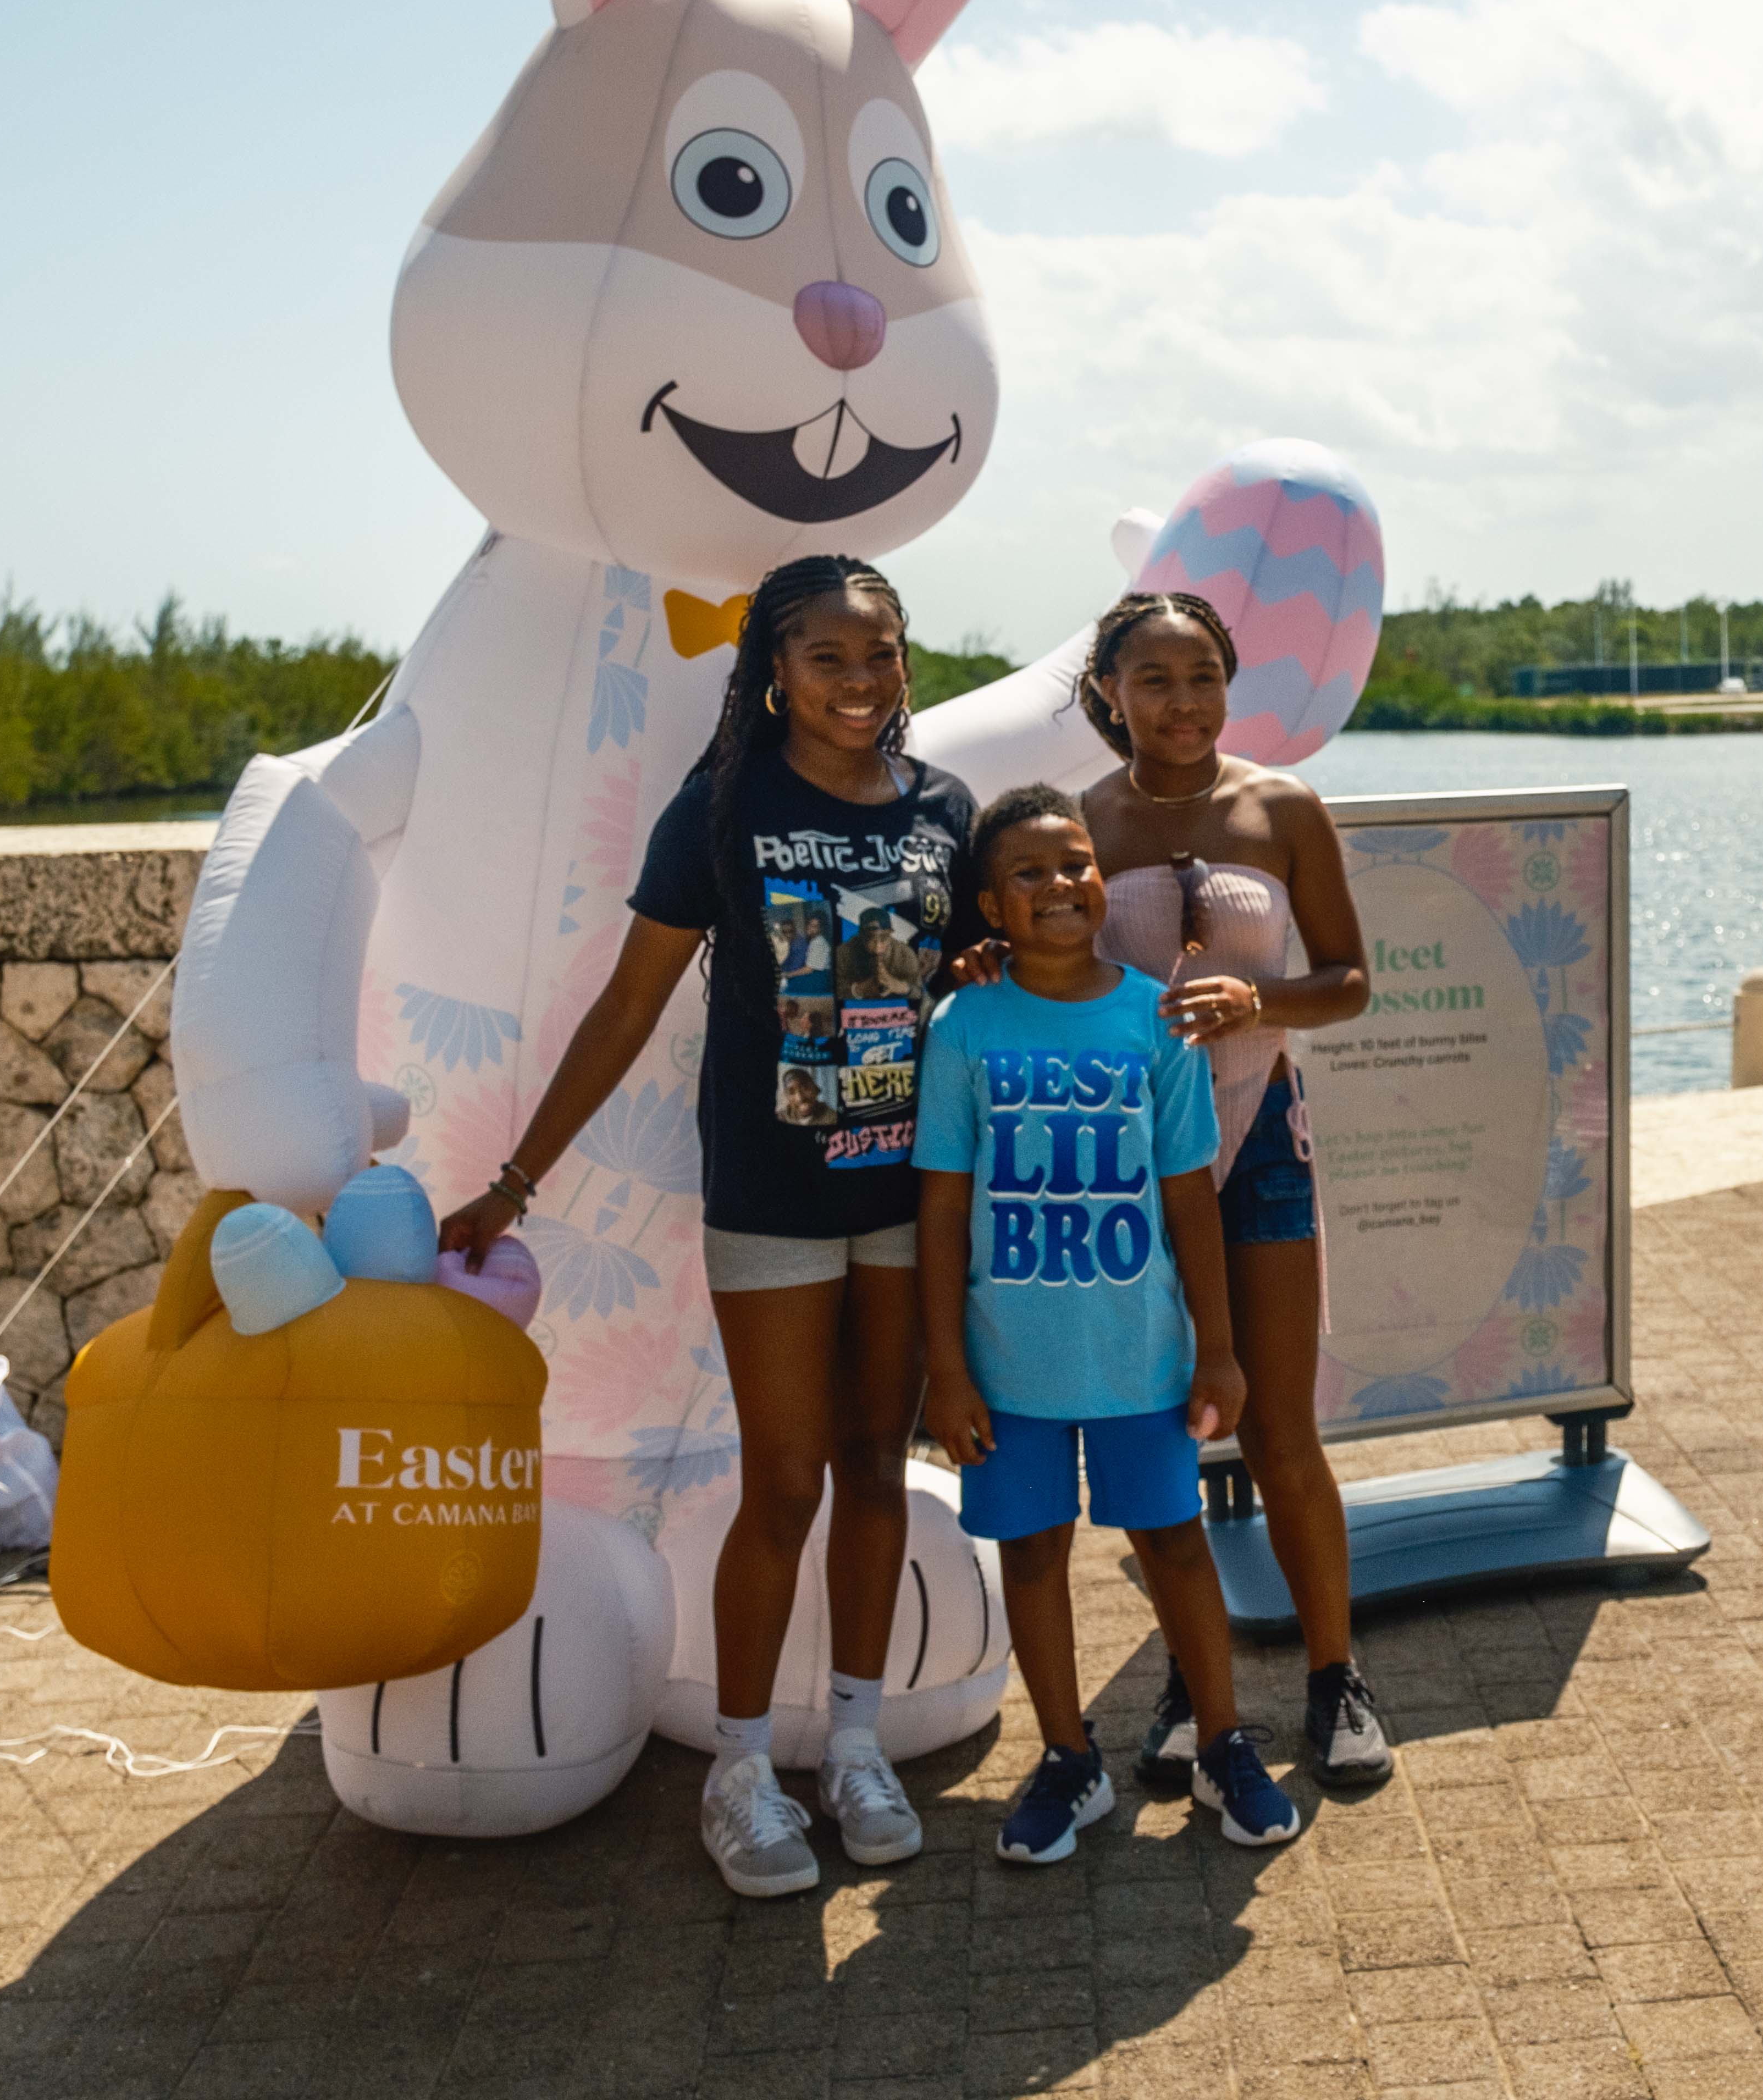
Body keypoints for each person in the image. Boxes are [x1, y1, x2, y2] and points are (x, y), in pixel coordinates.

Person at [440, 554, 972, 1902]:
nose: (863, 682)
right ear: (774, 672)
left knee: (875, 1471)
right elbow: (627, 1010)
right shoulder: (724, 807)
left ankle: (854, 1743)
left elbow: (979, 989)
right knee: (785, 1478)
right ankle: (740, 1770)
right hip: (775, 1202)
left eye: (884, 654)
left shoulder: (945, 812)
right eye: (830, 658)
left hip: (913, 1205)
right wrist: (515, 1182)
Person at [917, 786, 1303, 1860]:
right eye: (1030, 872)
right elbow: (943, 1207)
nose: (1060, 885)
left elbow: (1191, 1198)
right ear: (990, 904)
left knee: (1173, 1542)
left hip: (1141, 1354)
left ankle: (1224, 1742)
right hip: (1009, 1363)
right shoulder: (964, 1026)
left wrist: (1217, 1346)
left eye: (1076, 862)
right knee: (1034, 1555)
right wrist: (945, 1369)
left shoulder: (1155, 1019)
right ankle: (1068, 1757)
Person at [1073, 590, 1394, 1787]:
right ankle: (1189, 1682)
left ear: (1229, 680)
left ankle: (1334, 1675)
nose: (1182, 701)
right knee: (1163, 1432)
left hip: (1262, 1136)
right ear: (1109, 690)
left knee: (1279, 1424)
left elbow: (1352, 978)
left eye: (1202, 674)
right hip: (1132, 1157)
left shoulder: (1283, 806)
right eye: (1152, 679)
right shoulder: (1081, 821)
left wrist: (1262, 1004)